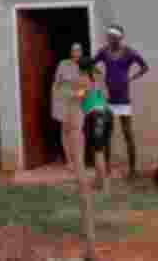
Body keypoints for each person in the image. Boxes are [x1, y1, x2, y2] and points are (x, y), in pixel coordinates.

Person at [92, 24, 149, 180]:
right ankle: (108, 169)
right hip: (110, 100)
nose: (109, 40)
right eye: (108, 37)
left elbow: (145, 67)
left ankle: (132, 170)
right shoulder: (104, 51)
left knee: (127, 134)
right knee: (107, 134)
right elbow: (90, 63)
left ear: (119, 38)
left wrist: (131, 78)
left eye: (112, 37)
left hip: (124, 99)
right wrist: (101, 75)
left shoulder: (129, 52)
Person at [74, 57, 113, 192]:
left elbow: (79, 96)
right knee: (102, 150)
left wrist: (73, 94)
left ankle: (101, 184)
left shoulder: (82, 80)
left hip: (95, 116)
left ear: (81, 68)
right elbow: (106, 96)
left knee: (97, 152)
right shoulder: (99, 78)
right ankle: (100, 181)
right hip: (107, 114)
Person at [51, 43, 84, 165]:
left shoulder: (85, 65)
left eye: (78, 50)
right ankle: (69, 160)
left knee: (77, 131)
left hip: (78, 102)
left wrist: (81, 94)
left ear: (81, 52)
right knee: (65, 130)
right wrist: (55, 101)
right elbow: (57, 83)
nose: (76, 53)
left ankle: (78, 160)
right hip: (64, 101)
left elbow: (89, 83)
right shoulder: (63, 64)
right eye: (74, 50)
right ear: (70, 52)